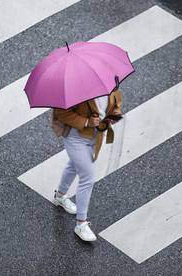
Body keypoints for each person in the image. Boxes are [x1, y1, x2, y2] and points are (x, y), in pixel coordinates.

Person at [51, 89, 123, 241]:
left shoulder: (108, 82)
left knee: (73, 165)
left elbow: (116, 101)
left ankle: (60, 196)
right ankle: (81, 223)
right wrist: (87, 122)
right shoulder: (74, 89)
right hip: (76, 138)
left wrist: (114, 114)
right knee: (88, 177)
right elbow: (61, 113)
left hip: (95, 136)